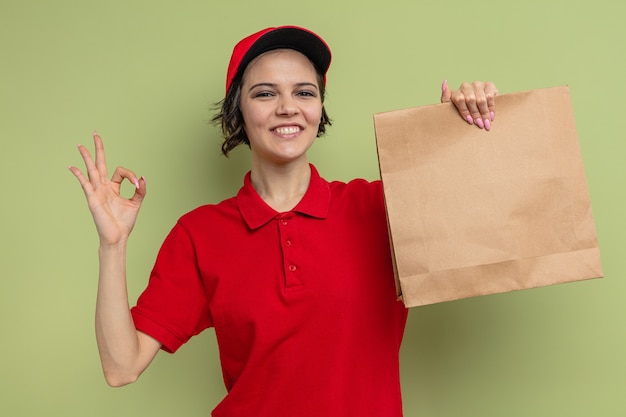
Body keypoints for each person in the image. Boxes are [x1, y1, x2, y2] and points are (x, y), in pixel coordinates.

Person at [69, 25, 498, 417]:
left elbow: (488, 227)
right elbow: (120, 366)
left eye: (305, 93)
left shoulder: (380, 206)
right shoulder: (199, 234)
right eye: (265, 93)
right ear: (238, 108)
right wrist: (113, 245)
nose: (288, 108)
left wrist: (461, 133)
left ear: (319, 108)